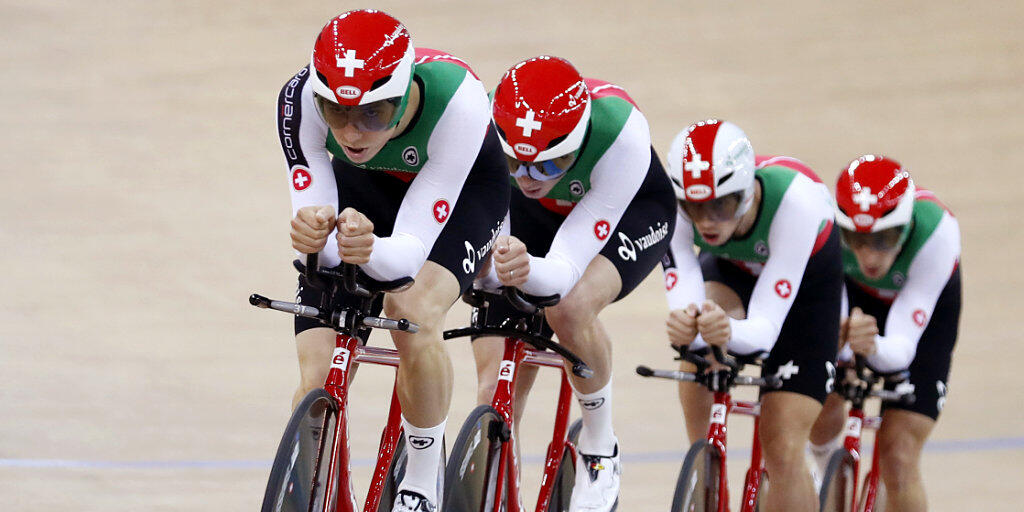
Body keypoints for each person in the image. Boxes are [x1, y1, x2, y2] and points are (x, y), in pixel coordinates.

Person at [276, 9, 509, 511]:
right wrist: (315, 234)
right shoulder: (298, 101)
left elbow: (404, 259)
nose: (353, 132)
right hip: (367, 189)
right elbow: (315, 232)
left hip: (460, 195)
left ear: (404, 94)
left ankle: (424, 478)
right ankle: (311, 489)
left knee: (413, 312)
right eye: (336, 112)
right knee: (317, 375)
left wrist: (371, 249)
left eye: (373, 114)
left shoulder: (459, 103)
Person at [473, 55, 676, 512]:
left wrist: (519, 268)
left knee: (569, 306)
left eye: (549, 164)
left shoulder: (621, 132)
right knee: (492, 390)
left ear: (579, 139)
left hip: (629, 212)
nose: (529, 177)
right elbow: (483, 215)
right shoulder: (485, 119)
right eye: (516, 162)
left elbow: (563, 273)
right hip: (535, 219)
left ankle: (600, 446)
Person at [661, 119, 842, 511]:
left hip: (806, 292)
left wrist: (726, 331)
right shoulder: (671, 203)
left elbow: (763, 330)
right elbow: (685, 293)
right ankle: (707, 473)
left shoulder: (797, 202)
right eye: (694, 207)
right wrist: (688, 326)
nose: (707, 220)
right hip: (732, 270)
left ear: (745, 194)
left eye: (720, 205)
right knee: (698, 347)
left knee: (780, 442)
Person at [808, 155, 961, 512]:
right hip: (853, 297)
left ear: (906, 227)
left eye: (884, 239)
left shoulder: (937, 232)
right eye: (856, 240)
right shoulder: (822, 225)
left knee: (898, 455)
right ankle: (828, 474)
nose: (869, 256)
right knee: (822, 399)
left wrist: (872, 345)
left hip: (922, 316)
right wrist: (842, 346)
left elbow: (904, 349)